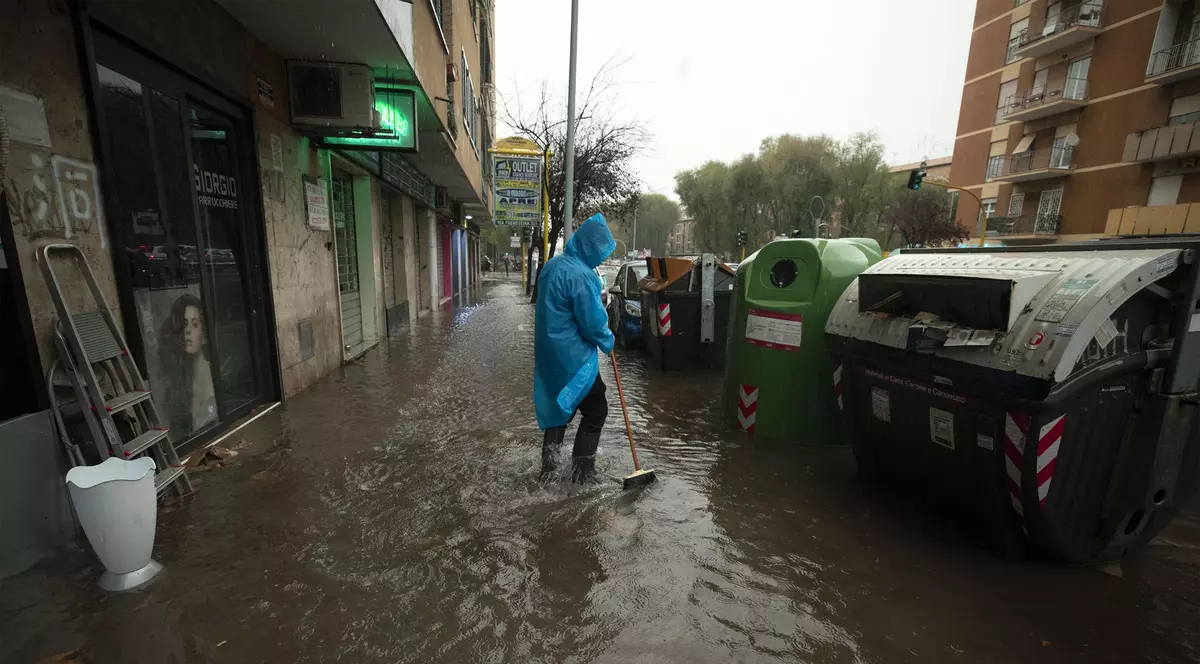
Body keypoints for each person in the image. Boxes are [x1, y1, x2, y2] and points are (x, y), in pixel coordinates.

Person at [533, 213, 616, 483]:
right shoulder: (582, 276)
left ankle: (549, 471)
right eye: (600, 252)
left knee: (558, 409)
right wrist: (608, 340)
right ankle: (582, 473)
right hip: (574, 358)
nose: (601, 259)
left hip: (549, 356)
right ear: (591, 247)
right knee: (596, 409)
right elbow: (592, 323)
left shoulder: (552, 266)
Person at [157, 293, 217, 436]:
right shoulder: (182, 379)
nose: (188, 330)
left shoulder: (214, 377)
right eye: (183, 325)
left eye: (195, 324)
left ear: (204, 335)